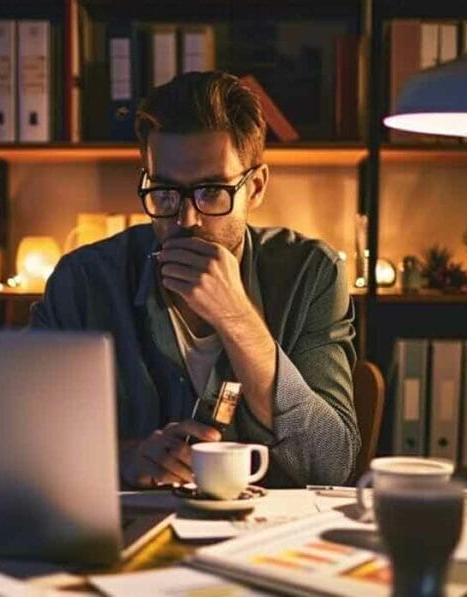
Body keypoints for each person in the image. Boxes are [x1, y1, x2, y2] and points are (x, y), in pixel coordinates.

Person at [31, 71, 359, 488]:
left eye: (210, 191)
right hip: (127, 530)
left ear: (254, 187)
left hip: (262, 540)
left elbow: (331, 462)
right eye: (165, 192)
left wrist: (238, 318)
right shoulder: (84, 280)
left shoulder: (311, 273)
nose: (186, 219)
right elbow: (26, 439)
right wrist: (123, 457)